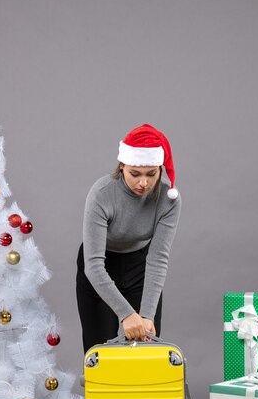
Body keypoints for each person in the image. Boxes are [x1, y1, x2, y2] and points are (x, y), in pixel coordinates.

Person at [76, 123, 181, 353]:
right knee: (100, 351)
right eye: (135, 174)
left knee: (144, 350)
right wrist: (126, 314)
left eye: (151, 174)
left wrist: (146, 315)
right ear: (122, 165)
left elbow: (158, 259)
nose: (143, 183)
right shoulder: (102, 194)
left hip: (140, 267)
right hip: (100, 267)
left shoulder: (169, 199)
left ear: (160, 169)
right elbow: (93, 265)